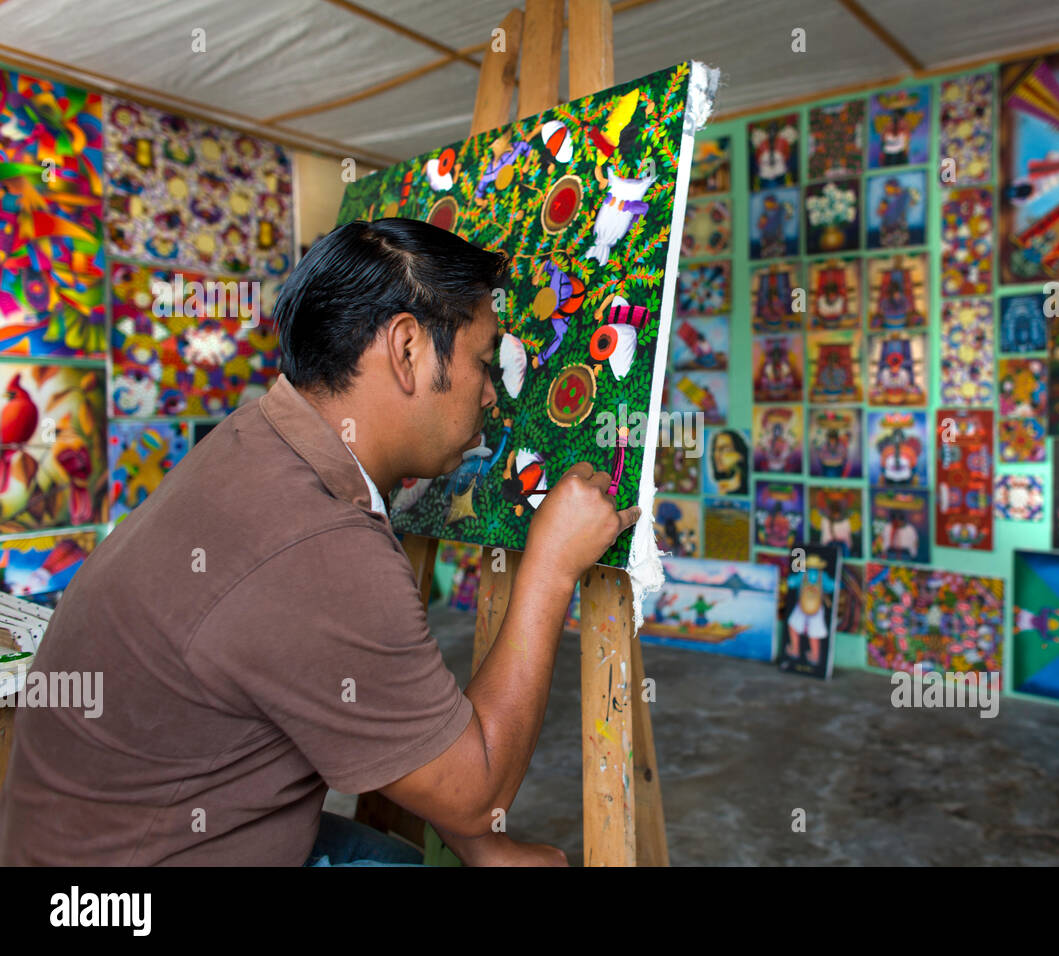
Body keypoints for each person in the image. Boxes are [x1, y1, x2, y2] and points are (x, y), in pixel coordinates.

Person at [0, 219, 639, 866]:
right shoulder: (321, 543)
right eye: (481, 362)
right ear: (408, 349)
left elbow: (335, 687)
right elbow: (476, 791)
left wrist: (479, 842)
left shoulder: (256, 438)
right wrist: (551, 568)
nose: (492, 395)